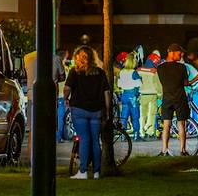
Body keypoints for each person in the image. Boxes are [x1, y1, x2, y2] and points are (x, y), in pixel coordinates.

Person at [64, 45, 111, 179]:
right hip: (97, 110)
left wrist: (66, 98)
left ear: (78, 58)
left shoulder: (75, 72)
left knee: (84, 139)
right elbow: (107, 93)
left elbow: (67, 88)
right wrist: (107, 110)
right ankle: (96, 172)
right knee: (95, 141)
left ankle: (83, 171)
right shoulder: (100, 73)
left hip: (79, 109)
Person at [157, 44, 191, 156]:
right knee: (182, 124)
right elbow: (186, 83)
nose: (181, 55)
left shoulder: (160, 68)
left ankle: (164, 150)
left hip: (167, 98)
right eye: (179, 53)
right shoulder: (182, 67)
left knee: (166, 125)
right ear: (171, 52)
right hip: (180, 98)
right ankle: (183, 150)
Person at [137, 52, 163, 140]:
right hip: (153, 95)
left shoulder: (139, 70)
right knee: (151, 114)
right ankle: (149, 131)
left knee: (142, 114)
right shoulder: (155, 72)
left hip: (142, 94)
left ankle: (141, 132)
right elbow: (157, 84)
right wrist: (160, 94)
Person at [116, 55, 141, 139]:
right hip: (132, 95)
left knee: (124, 115)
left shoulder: (121, 72)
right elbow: (139, 84)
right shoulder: (134, 72)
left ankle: (123, 135)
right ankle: (136, 135)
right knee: (135, 116)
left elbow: (119, 84)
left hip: (124, 95)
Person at [54, 48, 69, 141]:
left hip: (54, 95)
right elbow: (65, 83)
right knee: (60, 118)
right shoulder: (62, 68)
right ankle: (58, 137)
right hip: (60, 96)